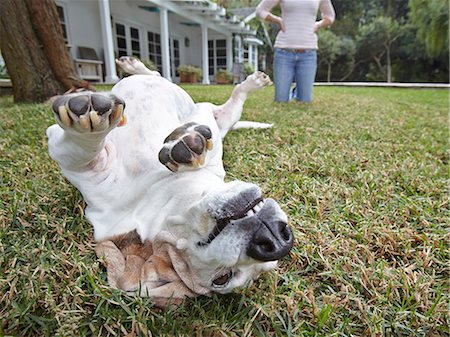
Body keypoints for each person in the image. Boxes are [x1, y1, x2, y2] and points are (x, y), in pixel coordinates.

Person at [256, 0, 335, 103]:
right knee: (280, 100)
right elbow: (260, 11)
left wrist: (317, 25)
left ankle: (297, 92)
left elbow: (330, 17)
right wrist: (278, 20)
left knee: (305, 101)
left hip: (308, 54)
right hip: (284, 52)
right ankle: (292, 93)